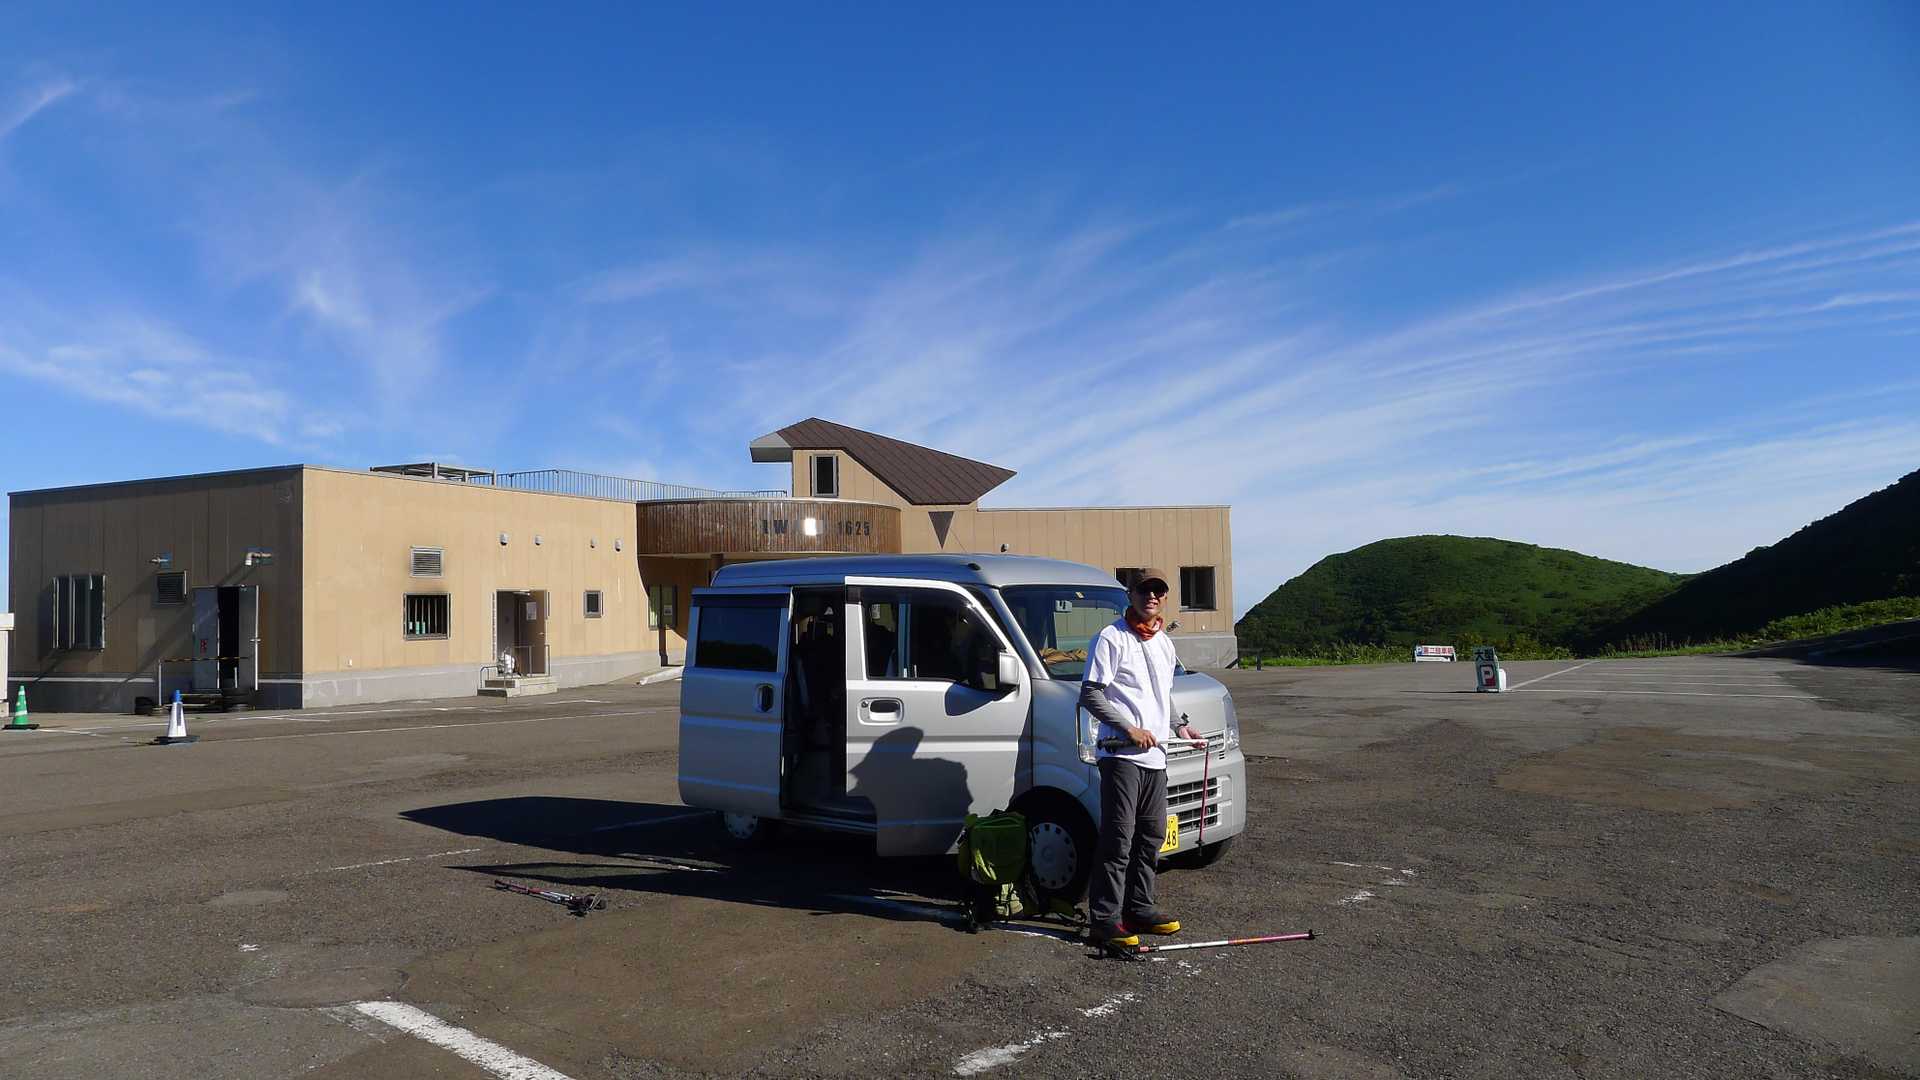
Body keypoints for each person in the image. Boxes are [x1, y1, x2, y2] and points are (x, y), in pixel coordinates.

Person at [1079, 567, 1201, 949]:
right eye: (1144, 590)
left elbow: (1162, 694)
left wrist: (1181, 726)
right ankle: (1105, 921)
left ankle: (1139, 908)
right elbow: (1090, 694)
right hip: (1121, 756)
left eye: (1158, 591)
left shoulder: (1164, 643)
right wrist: (1129, 728)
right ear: (1130, 595)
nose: (1152, 597)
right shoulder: (1111, 638)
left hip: (1155, 758)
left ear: (1164, 597)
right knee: (1118, 839)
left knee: (1150, 837)